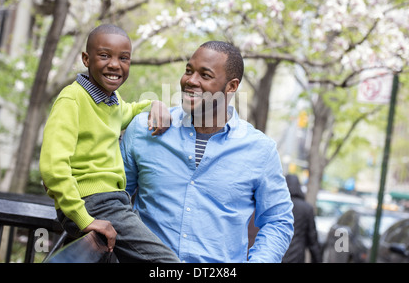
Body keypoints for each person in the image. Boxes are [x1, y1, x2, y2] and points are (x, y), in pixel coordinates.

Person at [121, 41, 294, 263]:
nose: (191, 81)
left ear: (231, 87)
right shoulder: (145, 130)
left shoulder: (260, 151)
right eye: (189, 71)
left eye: (205, 75)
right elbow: (117, 197)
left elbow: (277, 220)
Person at [39, 24, 179, 262]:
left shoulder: (111, 102)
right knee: (166, 262)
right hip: (93, 203)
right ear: (86, 59)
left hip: (112, 201)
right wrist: (85, 219)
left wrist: (155, 104)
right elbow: (53, 167)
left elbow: (130, 110)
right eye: (104, 56)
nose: (115, 64)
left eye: (123, 58)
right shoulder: (72, 99)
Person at [282, 174, 322, 263]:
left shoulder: (278, 206)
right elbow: (312, 240)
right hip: (296, 256)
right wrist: (317, 259)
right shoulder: (306, 208)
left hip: (277, 255)